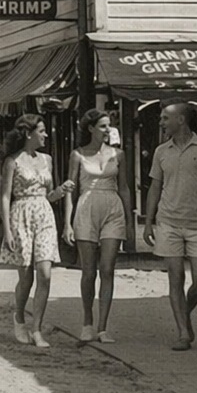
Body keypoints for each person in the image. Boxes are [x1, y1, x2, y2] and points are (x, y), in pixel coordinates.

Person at [142, 101, 197, 352]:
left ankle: (184, 313)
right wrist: (148, 222)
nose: (160, 122)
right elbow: (155, 189)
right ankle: (183, 332)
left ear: (181, 120)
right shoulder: (161, 151)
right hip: (169, 222)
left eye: (164, 118)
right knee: (176, 278)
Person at [0, 114, 76, 348]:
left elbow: (49, 195)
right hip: (20, 214)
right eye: (41, 131)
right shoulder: (12, 161)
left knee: (45, 273)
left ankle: (37, 329)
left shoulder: (47, 159)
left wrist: (61, 191)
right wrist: (7, 230)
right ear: (28, 133)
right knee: (26, 276)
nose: (46, 135)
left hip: (43, 214)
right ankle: (20, 318)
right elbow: (4, 196)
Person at [68, 109, 132, 344]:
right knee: (88, 271)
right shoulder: (78, 155)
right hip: (86, 207)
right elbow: (70, 190)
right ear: (90, 128)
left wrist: (129, 218)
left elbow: (124, 187)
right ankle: (87, 322)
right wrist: (67, 222)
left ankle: (103, 327)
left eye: (109, 126)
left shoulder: (118, 155)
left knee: (107, 268)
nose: (107, 130)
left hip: (112, 208)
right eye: (103, 126)